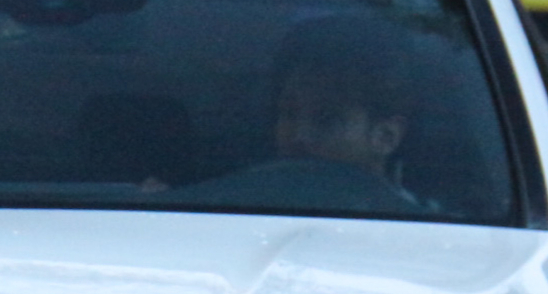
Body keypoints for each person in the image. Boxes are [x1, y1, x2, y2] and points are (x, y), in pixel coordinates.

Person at [179, 12, 427, 214]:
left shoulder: (425, 232)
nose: (299, 136)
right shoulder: (222, 204)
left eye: (328, 119)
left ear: (386, 136)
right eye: (289, 113)